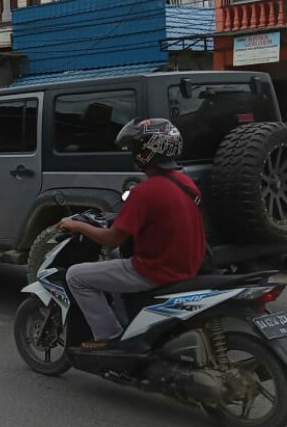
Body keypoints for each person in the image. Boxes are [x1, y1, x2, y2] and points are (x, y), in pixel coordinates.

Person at [59, 118, 205, 349]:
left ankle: (108, 335)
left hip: (153, 271)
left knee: (76, 276)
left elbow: (112, 239)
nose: (133, 154)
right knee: (115, 259)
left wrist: (77, 225)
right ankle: (128, 322)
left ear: (147, 152)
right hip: (186, 266)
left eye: (136, 148)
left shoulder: (145, 191)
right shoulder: (186, 183)